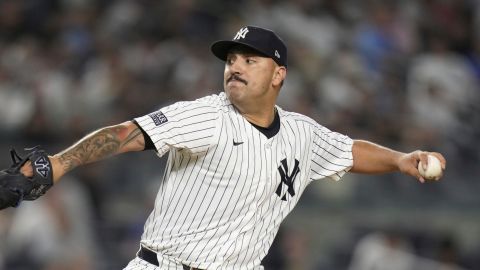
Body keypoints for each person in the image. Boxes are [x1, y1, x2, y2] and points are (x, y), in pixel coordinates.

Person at [15, 26, 445, 270]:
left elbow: (349, 152)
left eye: (249, 59)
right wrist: (58, 162)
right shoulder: (207, 115)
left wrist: (402, 160)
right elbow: (125, 133)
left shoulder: (302, 134)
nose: (235, 66)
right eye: (231, 59)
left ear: (278, 75)